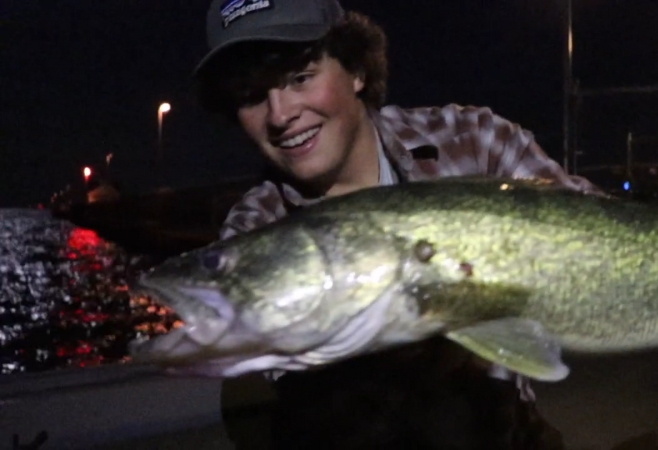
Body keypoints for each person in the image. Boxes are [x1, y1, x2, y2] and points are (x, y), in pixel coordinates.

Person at [193, 0, 603, 448]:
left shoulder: (477, 144)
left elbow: (607, 243)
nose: (279, 114)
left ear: (355, 70)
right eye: (252, 95)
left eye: (299, 78)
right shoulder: (253, 235)